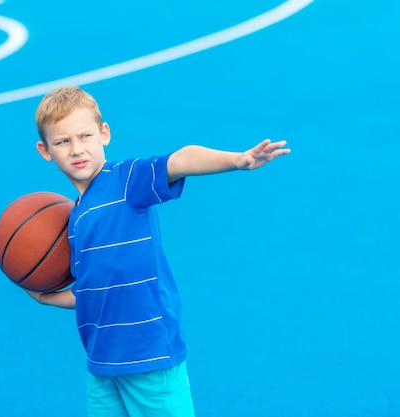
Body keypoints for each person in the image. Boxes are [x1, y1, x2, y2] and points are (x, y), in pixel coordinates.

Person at [27, 85, 290, 417]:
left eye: (85, 136)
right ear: (45, 150)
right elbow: (92, 291)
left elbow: (179, 160)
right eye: (63, 141)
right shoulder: (76, 218)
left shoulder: (125, 181)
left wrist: (236, 160)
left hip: (148, 356)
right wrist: (46, 296)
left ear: (104, 133)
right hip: (102, 363)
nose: (77, 149)